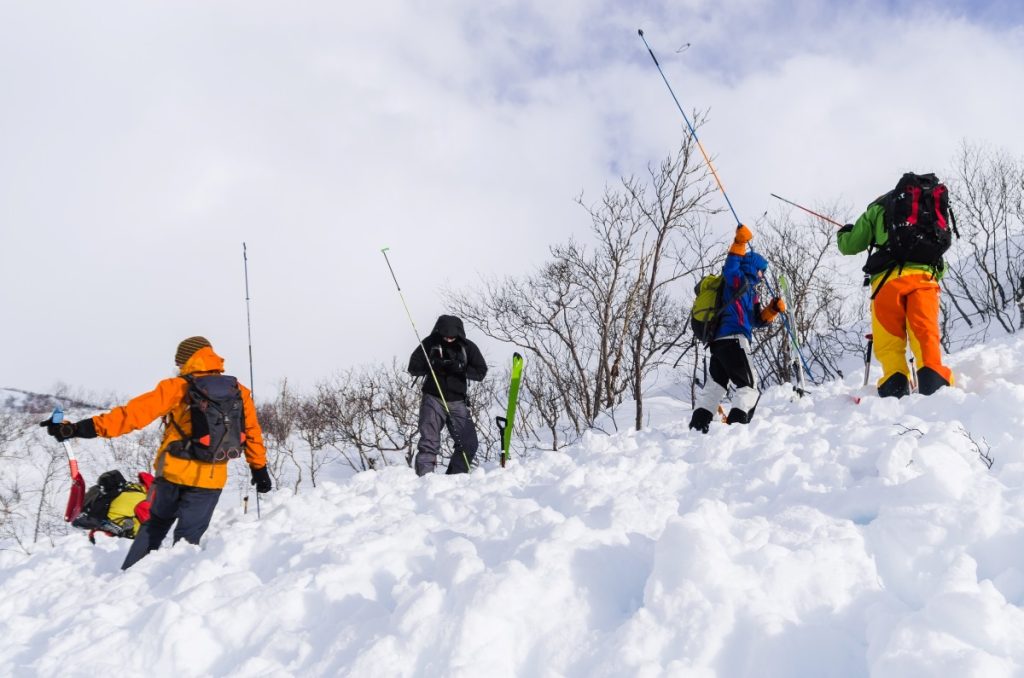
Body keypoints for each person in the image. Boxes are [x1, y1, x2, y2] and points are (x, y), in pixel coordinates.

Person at [41, 336, 271, 569]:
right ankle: (172, 590)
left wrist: (77, 428)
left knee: (154, 526)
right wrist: (259, 469)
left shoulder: (177, 387)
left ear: (186, 360)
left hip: (172, 475)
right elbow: (252, 432)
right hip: (211, 479)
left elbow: (130, 416)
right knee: (187, 541)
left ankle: (128, 577)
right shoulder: (239, 390)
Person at [838, 176, 954, 397]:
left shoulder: (877, 208)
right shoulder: (927, 208)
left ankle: (895, 390)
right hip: (924, 278)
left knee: (889, 341)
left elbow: (850, 245)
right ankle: (936, 386)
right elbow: (938, 252)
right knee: (925, 333)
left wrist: (843, 232)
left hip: (886, 283)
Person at [688, 225, 787, 433]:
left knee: (715, 387)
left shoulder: (749, 292)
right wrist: (740, 242)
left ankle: (697, 428)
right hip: (734, 341)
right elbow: (731, 266)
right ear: (754, 268)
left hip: (719, 344)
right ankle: (736, 431)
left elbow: (755, 321)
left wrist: (772, 310)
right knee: (749, 386)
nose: (763, 276)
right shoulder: (737, 279)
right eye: (762, 270)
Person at [408, 315, 488, 475]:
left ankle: (455, 478)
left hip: (458, 401)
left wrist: (461, 368)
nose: (449, 339)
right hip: (432, 398)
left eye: (452, 337)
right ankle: (425, 480)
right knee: (429, 443)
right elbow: (413, 367)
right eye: (445, 336)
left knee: (469, 443)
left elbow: (481, 372)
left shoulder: (468, 347)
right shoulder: (429, 343)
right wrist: (432, 365)